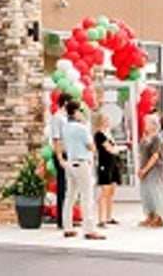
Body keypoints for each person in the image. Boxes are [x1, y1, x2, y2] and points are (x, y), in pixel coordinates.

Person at [60, 100, 104, 240]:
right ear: (77, 111)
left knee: (70, 196)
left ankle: (68, 227)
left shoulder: (65, 127)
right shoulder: (82, 128)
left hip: (70, 162)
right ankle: (89, 229)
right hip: (82, 162)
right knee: (87, 196)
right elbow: (91, 146)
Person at [137, 112, 163, 227]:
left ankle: (159, 217)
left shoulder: (157, 138)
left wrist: (145, 169)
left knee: (156, 192)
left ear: (154, 125)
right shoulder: (146, 137)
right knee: (147, 193)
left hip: (155, 169)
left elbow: (155, 156)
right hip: (145, 168)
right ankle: (150, 215)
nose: (145, 124)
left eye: (147, 123)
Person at [94, 112, 120, 228]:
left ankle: (109, 216)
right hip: (104, 164)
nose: (108, 122)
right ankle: (101, 219)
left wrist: (116, 149)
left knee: (111, 191)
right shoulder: (99, 135)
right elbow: (109, 148)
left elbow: (113, 147)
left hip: (112, 163)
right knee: (104, 191)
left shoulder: (108, 133)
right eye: (105, 120)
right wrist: (117, 149)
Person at [50, 93, 72, 229]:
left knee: (69, 187)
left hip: (70, 153)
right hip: (62, 153)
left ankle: (67, 217)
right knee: (62, 187)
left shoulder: (67, 118)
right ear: (65, 103)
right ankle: (61, 220)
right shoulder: (57, 118)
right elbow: (56, 139)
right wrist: (59, 157)